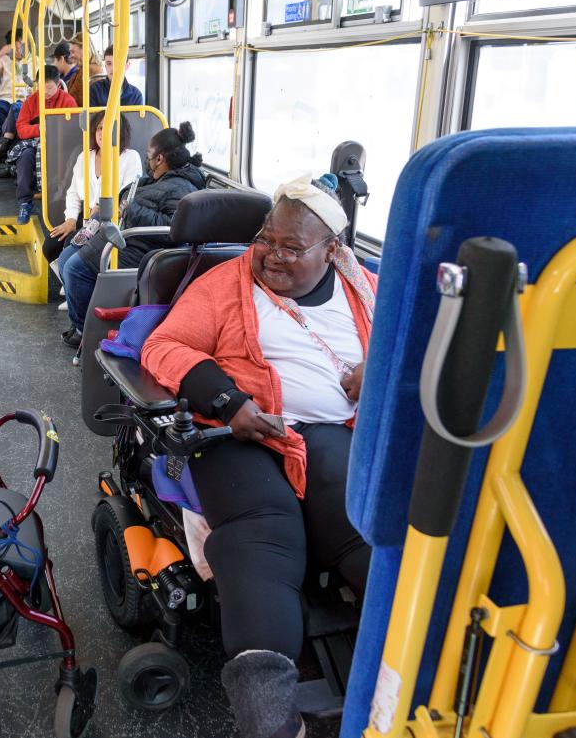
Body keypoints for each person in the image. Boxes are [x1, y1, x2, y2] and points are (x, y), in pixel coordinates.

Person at [141, 175, 375, 738]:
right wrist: (230, 402)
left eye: (293, 249)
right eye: (267, 239)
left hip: (329, 430)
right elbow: (163, 346)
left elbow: (414, 339)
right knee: (263, 530)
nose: (271, 256)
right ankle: (268, 718)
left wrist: (380, 366)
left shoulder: (366, 287)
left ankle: (413, 664)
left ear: (333, 251)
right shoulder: (226, 284)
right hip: (235, 431)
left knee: (358, 519)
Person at [58, 121, 206, 349]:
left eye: (149, 155)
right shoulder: (161, 179)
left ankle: (83, 330)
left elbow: (173, 229)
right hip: (128, 234)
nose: (147, 160)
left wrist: (130, 209)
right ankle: (81, 321)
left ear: (160, 158)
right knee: (67, 257)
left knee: (75, 269)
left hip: (142, 247)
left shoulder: (181, 188)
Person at [44, 110, 142, 263]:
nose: (102, 133)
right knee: (51, 245)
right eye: (99, 128)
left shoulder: (130, 157)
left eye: (108, 127)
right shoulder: (84, 156)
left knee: (72, 246)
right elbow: (74, 192)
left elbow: (129, 197)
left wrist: (102, 209)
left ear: (119, 132)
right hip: (85, 216)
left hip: (111, 221)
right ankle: (68, 281)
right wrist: (70, 219)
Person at [5, 64, 77, 224]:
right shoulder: (31, 101)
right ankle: (25, 202)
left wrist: (52, 132)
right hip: (35, 142)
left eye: (49, 88)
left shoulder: (68, 101)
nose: (45, 93)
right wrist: (40, 128)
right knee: (25, 156)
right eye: (41, 88)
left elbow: (73, 129)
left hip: (61, 144)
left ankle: (62, 199)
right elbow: (22, 130)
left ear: (58, 85)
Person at [0, 28, 32, 151]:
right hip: (6, 101)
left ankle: (6, 148)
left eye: (21, 47)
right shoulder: (4, 60)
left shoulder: (36, 60)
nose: (19, 51)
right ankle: (10, 146)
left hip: (25, 101)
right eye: (15, 48)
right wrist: (0, 53)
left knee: (18, 108)